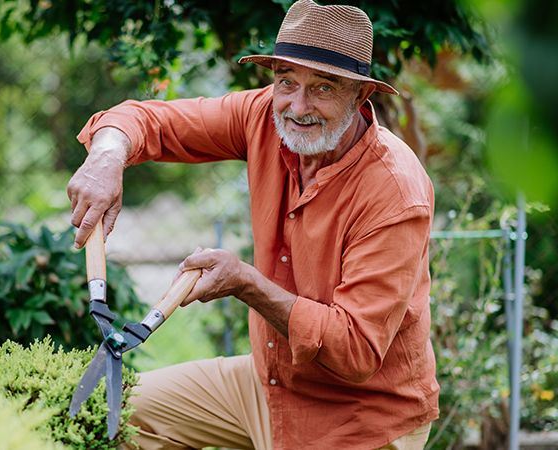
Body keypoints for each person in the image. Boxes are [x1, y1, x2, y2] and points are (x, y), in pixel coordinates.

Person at [67, 1, 440, 449]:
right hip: (271, 383)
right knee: (113, 412)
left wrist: (248, 283)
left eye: (323, 88)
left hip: (359, 415)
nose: (297, 106)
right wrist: (107, 156)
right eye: (286, 81)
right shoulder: (264, 114)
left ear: (360, 96)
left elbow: (355, 350)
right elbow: (151, 120)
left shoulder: (394, 192)